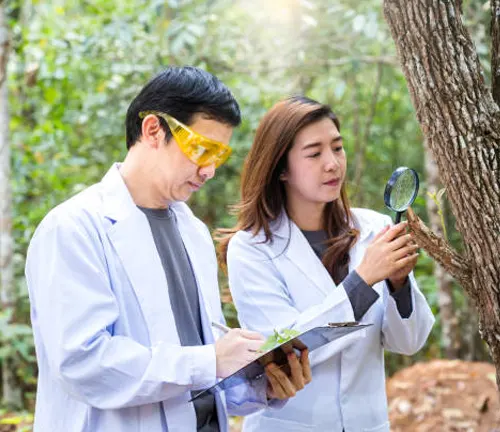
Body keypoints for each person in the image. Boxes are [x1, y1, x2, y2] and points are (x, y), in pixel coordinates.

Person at [24, 67, 312, 432]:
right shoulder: (73, 228)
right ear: (153, 130)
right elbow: (83, 363)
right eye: (201, 149)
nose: (208, 170)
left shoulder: (192, 231)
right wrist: (210, 360)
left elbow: (198, 368)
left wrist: (259, 382)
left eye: (218, 155)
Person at [217, 96, 435, 432]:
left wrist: (399, 285)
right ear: (281, 168)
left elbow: (409, 342)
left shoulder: (374, 229)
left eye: (337, 148)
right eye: (314, 153)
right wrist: (363, 281)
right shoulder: (251, 248)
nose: (332, 163)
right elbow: (287, 349)